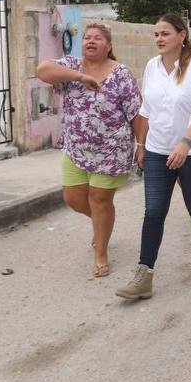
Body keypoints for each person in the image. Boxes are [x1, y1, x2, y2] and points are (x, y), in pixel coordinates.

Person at [116, 13, 191, 300]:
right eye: (156, 34)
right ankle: (144, 275)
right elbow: (146, 110)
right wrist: (141, 144)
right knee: (154, 211)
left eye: (165, 33)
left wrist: (185, 143)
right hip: (158, 150)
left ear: (181, 35)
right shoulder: (152, 66)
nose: (159, 39)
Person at [35, 22, 141, 278]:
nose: (91, 41)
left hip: (112, 149)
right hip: (76, 148)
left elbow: (136, 113)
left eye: (97, 38)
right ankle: (101, 223)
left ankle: (101, 252)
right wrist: (80, 77)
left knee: (100, 199)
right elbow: (42, 70)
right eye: (87, 37)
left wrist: (142, 145)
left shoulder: (121, 73)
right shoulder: (71, 66)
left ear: (109, 45)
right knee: (73, 199)